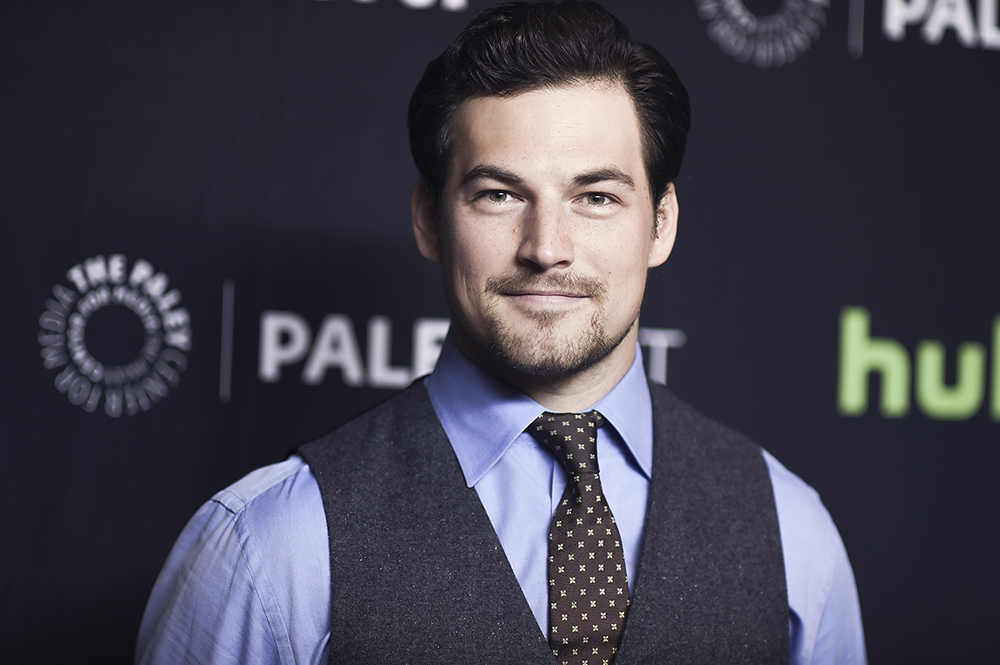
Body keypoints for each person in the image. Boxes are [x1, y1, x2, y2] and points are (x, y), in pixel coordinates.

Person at [136, 2, 866, 664]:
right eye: (499, 193)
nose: (546, 246)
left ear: (662, 223)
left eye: (597, 196)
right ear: (429, 218)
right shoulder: (272, 544)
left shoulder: (791, 532)